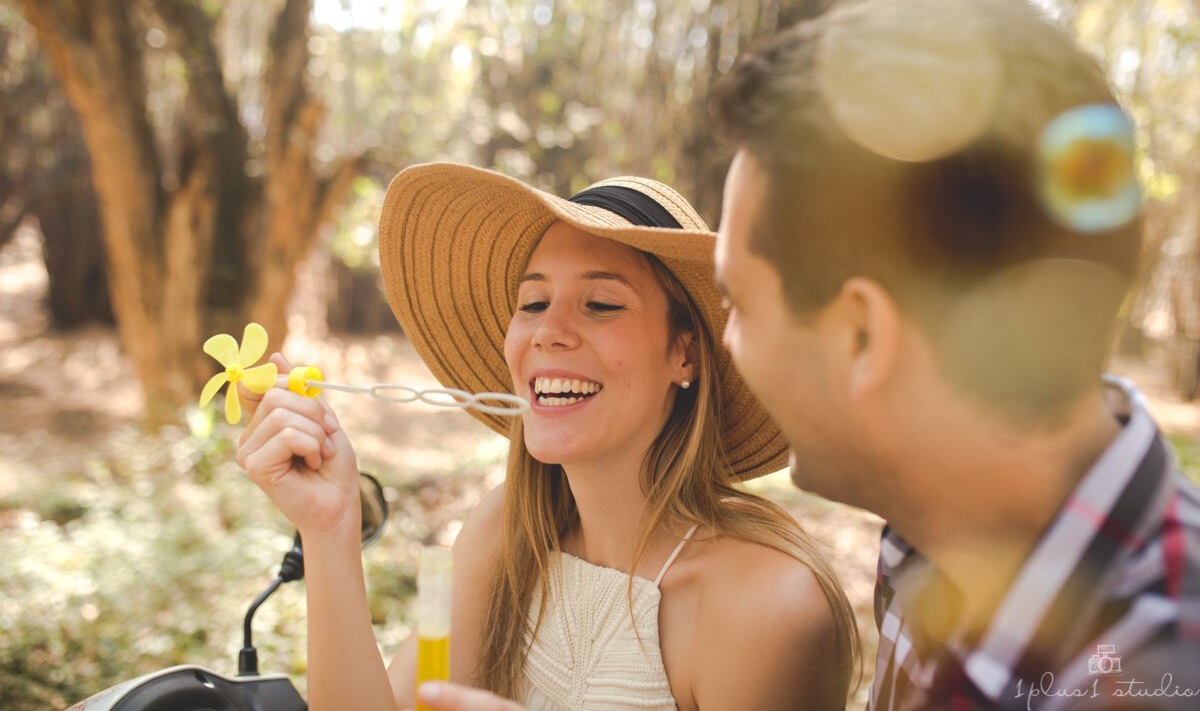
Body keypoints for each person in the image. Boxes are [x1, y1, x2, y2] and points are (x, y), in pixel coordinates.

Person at [413, 0, 1200, 711]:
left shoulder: (1155, 667)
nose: (736, 354)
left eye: (743, 306)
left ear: (862, 336)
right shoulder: (932, 549)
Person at [235, 164, 859, 711]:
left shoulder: (767, 608)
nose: (548, 332)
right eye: (532, 303)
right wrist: (329, 530)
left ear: (685, 354)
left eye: (601, 305)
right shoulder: (499, 533)